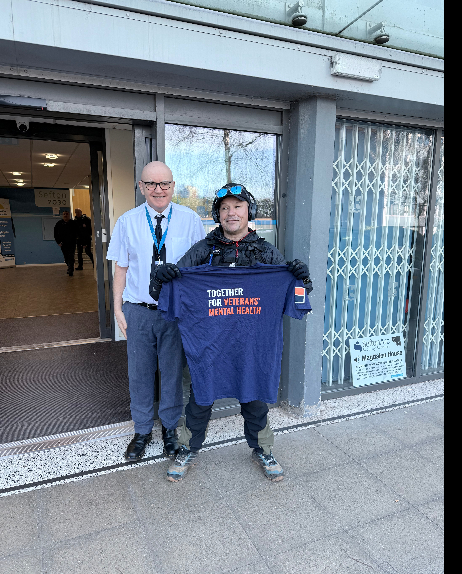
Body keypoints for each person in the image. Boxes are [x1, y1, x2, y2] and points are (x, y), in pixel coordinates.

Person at [149, 183, 313, 484]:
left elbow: (298, 295)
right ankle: (187, 448)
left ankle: (263, 449)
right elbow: (164, 292)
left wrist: (302, 278)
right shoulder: (203, 250)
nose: (231, 213)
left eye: (237, 206)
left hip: (252, 345)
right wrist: (161, 278)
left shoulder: (266, 252)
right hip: (209, 344)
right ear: (218, 215)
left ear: (249, 211)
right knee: (200, 397)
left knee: (254, 398)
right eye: (224, 208)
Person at [106, 161, 206, 462]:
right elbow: (121, 268)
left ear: (173, 186)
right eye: (151, 183)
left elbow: (200, 269)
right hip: (138, 311)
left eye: (164, 183)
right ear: (141, 187)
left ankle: (170, 429)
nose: (158, 189)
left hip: (176, 311)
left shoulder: (190, 220)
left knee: (173, 373)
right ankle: (142, 430)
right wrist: (118, 309)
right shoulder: (127, 221)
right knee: (139, 373)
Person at [54, 210, 77, 276]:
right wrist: (58, 242)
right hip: (63, 243)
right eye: (64, 214)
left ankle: (71, 269)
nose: (65, 215)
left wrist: (76, 239)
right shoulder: (59, 223)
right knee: (66, 257)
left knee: (71, 256)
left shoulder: (73, 223)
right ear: (62, 215)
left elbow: (77, 232)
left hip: (72, 243)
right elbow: (55, 234)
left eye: (67, 214)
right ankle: (69, 266)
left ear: (69, 215)